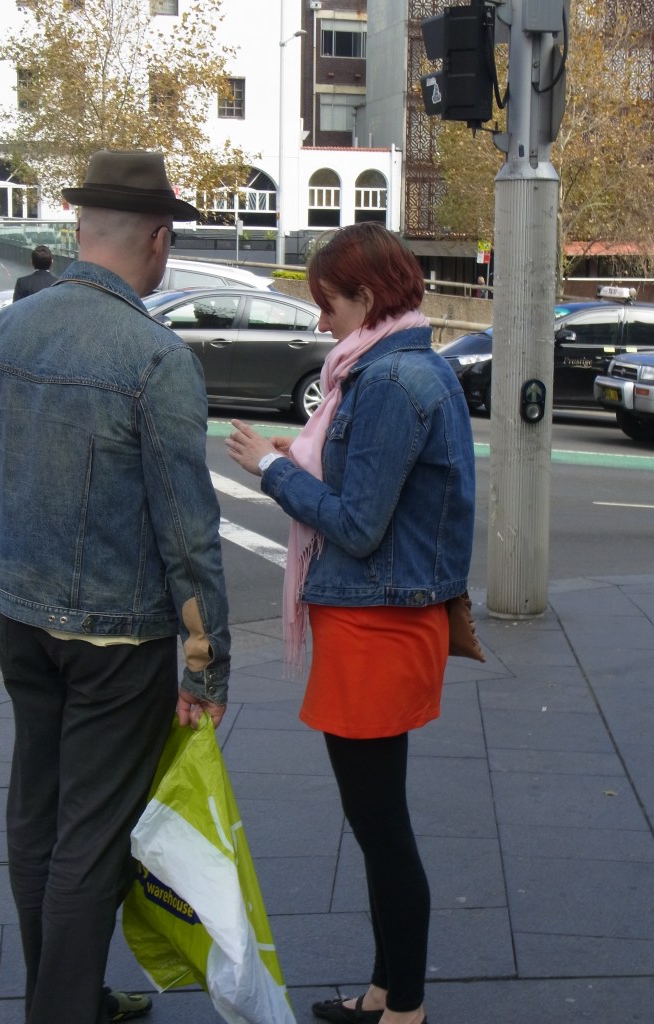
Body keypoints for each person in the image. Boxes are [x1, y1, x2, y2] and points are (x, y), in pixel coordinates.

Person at [0, 150, 230, 1024]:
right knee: (91, 838)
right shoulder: (155, 356)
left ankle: (59, 994)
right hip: (119, 639)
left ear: (78, 229)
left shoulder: (2, 332)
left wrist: (21, 549)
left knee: (37, 815)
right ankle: (62, 1011)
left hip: (22, 622)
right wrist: (206, 666)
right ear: (159, 239)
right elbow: (188, 533)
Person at [226, 222, 476, 1024]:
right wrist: (293, 461)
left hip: (378, 625)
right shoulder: (407, 372)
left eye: (328, 303)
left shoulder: (388, 385)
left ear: (367, 297)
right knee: (377, 826)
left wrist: (270, 472)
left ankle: (402, 1008)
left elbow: (358, 525)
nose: (321, 322)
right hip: (382, 620)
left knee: (381, 828)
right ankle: (384, 990)